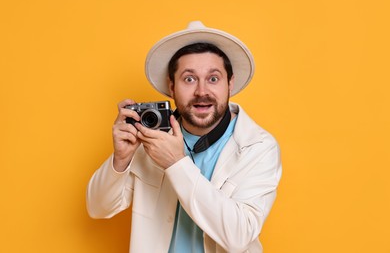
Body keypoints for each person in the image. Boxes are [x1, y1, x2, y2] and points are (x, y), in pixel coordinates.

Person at [86, 21, 282, 253]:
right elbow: (98, 208)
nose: (201, 91)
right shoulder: (151, 137)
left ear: (230, 84)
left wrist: (176, 163)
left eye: (213, 78)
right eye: (189, 79)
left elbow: (239, 236)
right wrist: (120, 159)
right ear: (172, 86)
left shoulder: (259, 147)